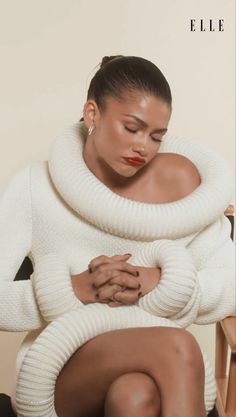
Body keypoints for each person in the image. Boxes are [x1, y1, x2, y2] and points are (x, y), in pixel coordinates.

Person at [0, 55, 235, 417]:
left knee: (135, 396)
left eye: (157, 136)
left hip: (156, 375)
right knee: (179, 347)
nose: (144, 146)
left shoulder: (181, 191)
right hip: (60, 370)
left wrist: (162, 281)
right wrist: (75, 288)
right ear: (92, 114)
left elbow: (230, 285)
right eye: (132, 128)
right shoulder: (35, 186)